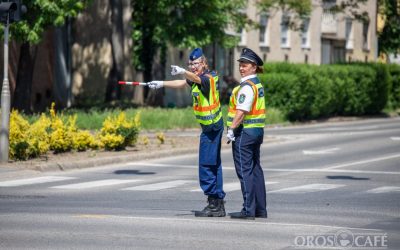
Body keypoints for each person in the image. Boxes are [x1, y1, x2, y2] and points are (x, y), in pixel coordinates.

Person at [147, 48, 226, 217]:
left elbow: (196, 78)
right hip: (211, 127)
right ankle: (218, 203)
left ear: (203, 63)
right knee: (214, 165)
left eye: (195, 64)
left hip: (211, 128)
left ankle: (214, 204)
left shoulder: (208, 78)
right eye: (190, 64)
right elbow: (184, 82)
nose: (192, 67)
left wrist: (184, 71)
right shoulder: (198, 78)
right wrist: (162, 83)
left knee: (206, 165)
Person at [226, 48, 267, 220]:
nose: (242, 68)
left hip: (244, 133)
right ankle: (260, 209)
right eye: (241, 65)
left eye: (245, 65)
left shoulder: (247, 87)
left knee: (245, 171)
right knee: (255, 169)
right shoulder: (256, 84)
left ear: (254, 67)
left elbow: (242, 110)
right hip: (256, 131)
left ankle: (248, 210)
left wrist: (231, 130)